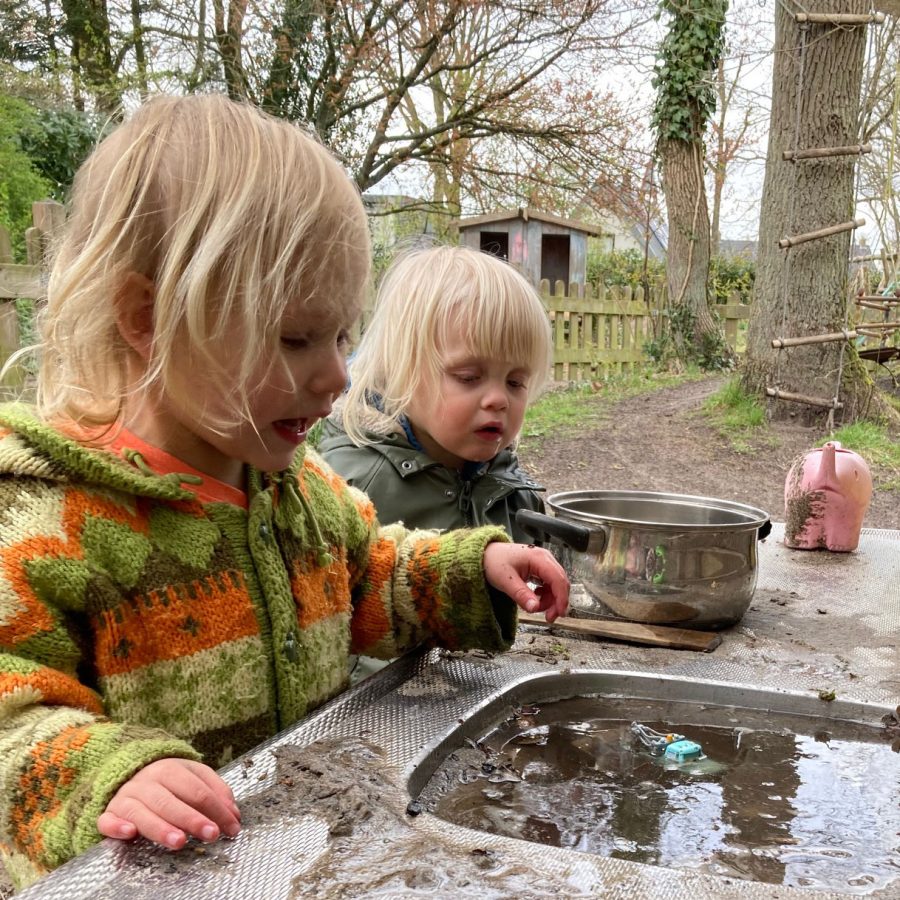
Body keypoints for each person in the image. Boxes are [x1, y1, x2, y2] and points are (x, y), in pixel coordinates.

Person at [0, 94, 569, 891]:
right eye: (296, 338)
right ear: (148, 316)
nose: (338, 375)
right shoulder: (48, 518)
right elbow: (11, 715)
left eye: (341, 336)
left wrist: (466, 574)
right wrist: (106, 771)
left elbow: (369, 573)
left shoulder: (295, 489)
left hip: (293, 864)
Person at [318, 244, 552, 544]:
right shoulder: (353, 490)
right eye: (468, 378)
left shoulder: (515, 492)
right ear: (403, 372)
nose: (499, 399)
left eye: (515, 382)